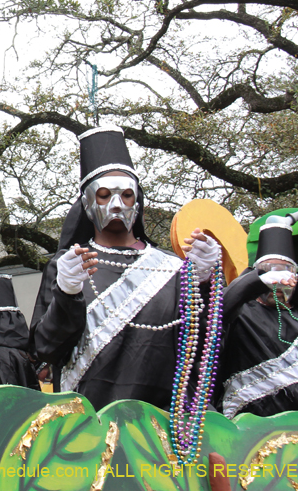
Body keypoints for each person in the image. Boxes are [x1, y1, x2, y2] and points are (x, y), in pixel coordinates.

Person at [30, 126, 221, 411]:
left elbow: (205, 349)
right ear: (87, 203)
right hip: (88, 425)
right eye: (104, 195)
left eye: (127, 195)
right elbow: (44, 350)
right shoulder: (69, 265)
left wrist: (204, 282)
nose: (117, 204)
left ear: (138, 201)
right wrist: (67, 293)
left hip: (161, 426)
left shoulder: (173, 269)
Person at [219, 221, 298, 418]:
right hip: (252, 433)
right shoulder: (239, 312)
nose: (277, 283)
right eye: (269, 272)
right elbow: (216, 312)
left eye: (284, 272)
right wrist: (254, 282)